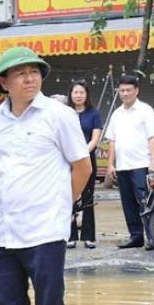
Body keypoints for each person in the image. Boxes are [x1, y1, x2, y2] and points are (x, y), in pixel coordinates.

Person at [0, 48, 92, 305]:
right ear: (4, 82)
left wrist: (62, 207)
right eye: (20, 73)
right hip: (3, 233)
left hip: (45, 231)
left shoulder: (59, 115)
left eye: (34, 71)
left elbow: (83, 167)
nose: (29, 78)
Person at [102, 74, 154, 249]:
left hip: (141, 164)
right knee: (127, 203)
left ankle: (153, 238)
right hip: (122, 166)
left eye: (128, 90)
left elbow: (152, 138)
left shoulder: (146, 110)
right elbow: (112, 141)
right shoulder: (116, 114)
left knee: (145, 202)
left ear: (136, 91)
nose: (125, 93)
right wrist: (110, 164)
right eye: (122, 90)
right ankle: (136, 237)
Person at [66, 80, 103, 248]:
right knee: (69, 197)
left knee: (87, 196)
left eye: (82, 92)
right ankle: (70, 236)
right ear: (71, 95)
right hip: (67, 160)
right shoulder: (65, 113)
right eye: (75, 92)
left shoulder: (94, 113)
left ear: (86, 95)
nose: (78, 95)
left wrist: (82, 154)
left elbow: (95, 138)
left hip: (87, 159)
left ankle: (89, 236)